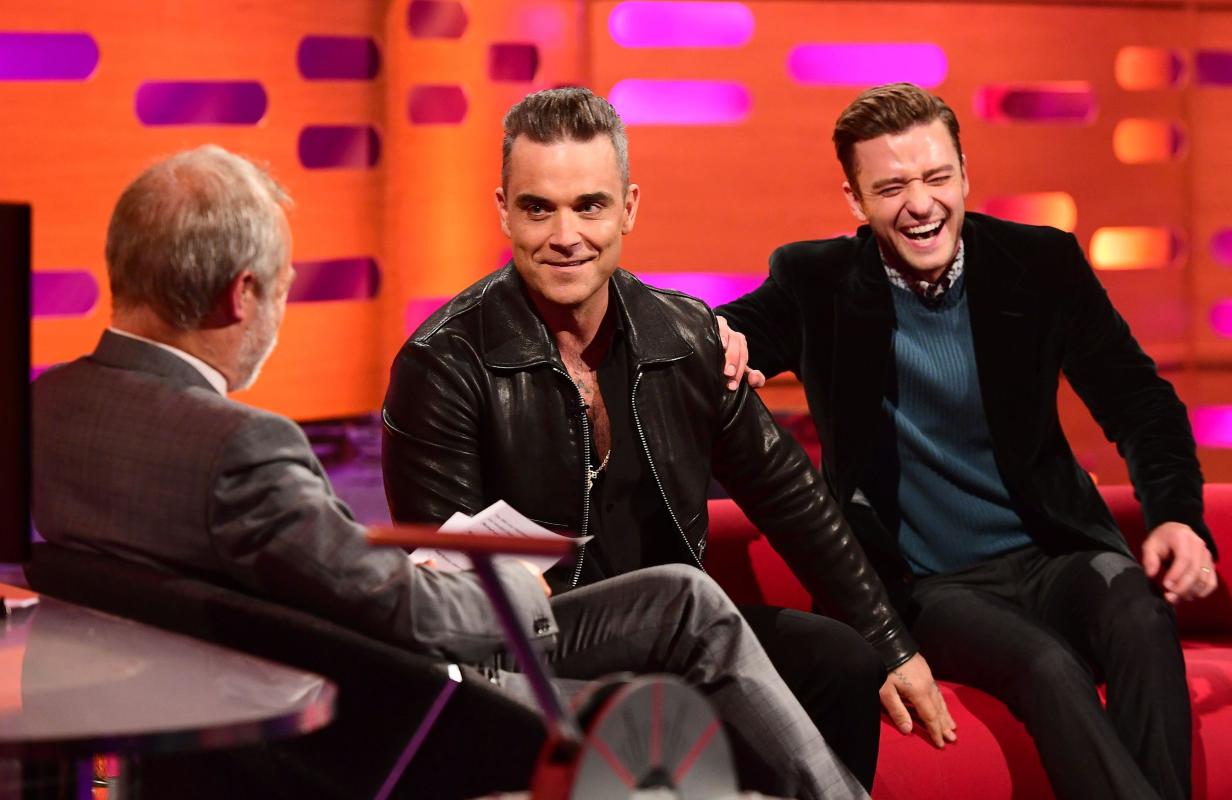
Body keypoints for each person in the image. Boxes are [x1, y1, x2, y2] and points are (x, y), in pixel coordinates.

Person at [31, 145, 862, 800]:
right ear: (243, 295)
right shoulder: (244, 447)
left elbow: (309, 563)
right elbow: (405, 612)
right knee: (683, 611)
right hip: (404, 707)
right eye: (286, 290)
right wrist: (522, 591)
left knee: (687, 596)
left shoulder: (47, 409)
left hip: (229, 691)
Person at [381, 87, 957, 793]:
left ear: (628, 207)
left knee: (837, 659)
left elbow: (790, 495)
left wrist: (891, 643)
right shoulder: (442, 364)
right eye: (539, 208)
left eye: (589, 205)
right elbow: (457, 608)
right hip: (536, 644)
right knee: (683, 602)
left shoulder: (683, 336)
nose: (566, 235)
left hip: (677, 632)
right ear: (503, 209)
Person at [716, 82, 1218, 800]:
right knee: (1046, 665)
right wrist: (719, 339)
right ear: (856, 202)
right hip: (932, 587)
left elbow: (1139, 402)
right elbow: (726, 332)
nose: (920, 204)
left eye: (936, 177)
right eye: (890, 187)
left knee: (1138, 607)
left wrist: (1176, 515)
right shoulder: (816, 282)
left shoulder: (1040, 263)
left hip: (1054, 555)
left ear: (964, 174)